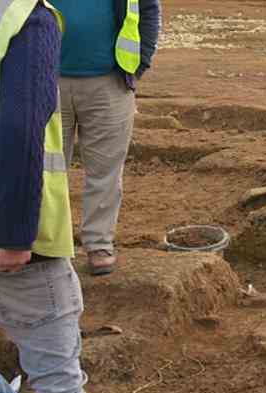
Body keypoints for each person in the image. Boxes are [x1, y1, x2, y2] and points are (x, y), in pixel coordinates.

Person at [0, 1, 163, 393]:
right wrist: (16, 232)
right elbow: (19, 124)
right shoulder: (21, 16)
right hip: (10, 241)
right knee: (58, 379)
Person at [55, 0, 161, 275]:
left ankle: (98, 243)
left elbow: (148, 10)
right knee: (48, 171)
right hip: (47, 80)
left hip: (110, 83)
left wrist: (140, 63)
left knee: (105, 171)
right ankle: (51, 246)